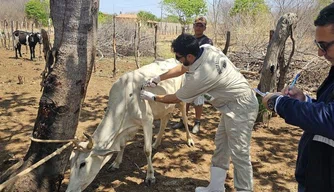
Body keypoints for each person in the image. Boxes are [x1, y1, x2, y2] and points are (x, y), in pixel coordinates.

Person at [141, 33, 258, 192]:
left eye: (178, 56)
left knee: (240, 153)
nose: (177, 59)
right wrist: (159, 78)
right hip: (230, 104)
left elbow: (176, 98)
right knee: (221, 146)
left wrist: (153, 97)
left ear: (189, 55)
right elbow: (183, 67)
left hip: (241, 107)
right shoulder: (205, 49)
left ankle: (244, 190)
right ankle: (216, 187)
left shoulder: (201, 76)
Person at [262, 3, 334, 192]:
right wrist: (305, 101)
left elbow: (330, 118)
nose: (320, 53)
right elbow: (327, 109)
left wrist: (278, 103)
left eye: (324, 46)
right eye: (318, 45)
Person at [172, 16, 214, 133]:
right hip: (186, 72)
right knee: (185, 97)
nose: (198, 27)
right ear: (193, 26)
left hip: (200, 75)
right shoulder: (189, 40)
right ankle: (183, 120)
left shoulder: (207, 42)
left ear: (205, 27)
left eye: (201, 25)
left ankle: (197, 122)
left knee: (198, 100)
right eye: (197, 24)